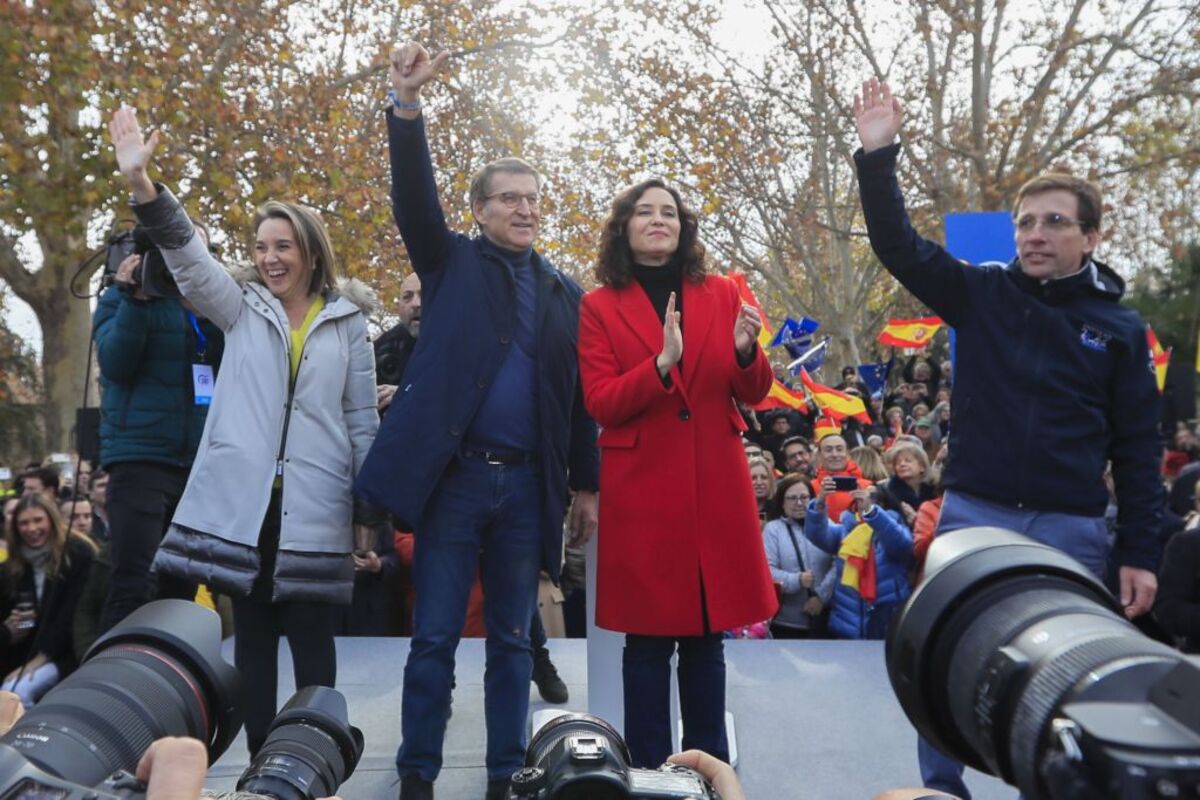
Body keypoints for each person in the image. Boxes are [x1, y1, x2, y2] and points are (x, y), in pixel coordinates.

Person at [854, 76, 1163, 798]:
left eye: (1055, 222)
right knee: (940, 662)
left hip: (1073, 529)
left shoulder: (1121, 331)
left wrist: (1140, 553)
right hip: (975, 517)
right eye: (1025, 222)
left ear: (1091, 235)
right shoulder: (981, 293)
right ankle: (941, 793)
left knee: (1062, 687)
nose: (1035, 234)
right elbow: (897, 244)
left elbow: (1139, 453)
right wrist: (878, 155)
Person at [350, 42, 599, 800]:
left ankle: (504, 774)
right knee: (432, 639)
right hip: (453, 487)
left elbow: (579, 395)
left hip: (529, 493)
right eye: (509, 198)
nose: (525, 208)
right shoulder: (448, 262)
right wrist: (406, 107)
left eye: (533, 198)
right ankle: (417, 773)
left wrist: (585, 487)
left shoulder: (565, 291)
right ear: (481, 210)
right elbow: (412, 198)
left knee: (514, 645)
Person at [108, 107, 379, 757]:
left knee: (315, 652)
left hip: (317, 509)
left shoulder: (348, 326)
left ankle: (313, 769)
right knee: (253, 645)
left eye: (282, 246)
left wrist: (369, 513)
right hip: (246, 512)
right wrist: (144, 186)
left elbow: (362, 421)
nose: (269, 257)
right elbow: (190, 259)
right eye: (261, 247)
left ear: (311, 251)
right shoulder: (238, 308)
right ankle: (262, 770)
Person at [577, 177, 777, 769]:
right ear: (625, 226)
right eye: (645, 211)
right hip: (643, 494)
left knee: (706, 640)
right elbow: (602, 401)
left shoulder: (722, 292)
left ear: (683, 225)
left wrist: (746, 352)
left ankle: (710, 770)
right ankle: (648, 773)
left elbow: (754, 389)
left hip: (714, 485)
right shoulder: (597, 306)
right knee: (645, 645)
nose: (659, 219)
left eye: (669, 211)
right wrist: (661, 364)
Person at [92, 213, 225, 633]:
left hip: (196, 467)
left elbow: (231, 368)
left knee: (181, 590)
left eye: (198, 253)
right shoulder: (122, 298)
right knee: (132, 582)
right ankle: (112, 687)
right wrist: (136, 300)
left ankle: (167, 684)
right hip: (140, 460)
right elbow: (116, 364)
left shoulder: (213, 305)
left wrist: (206, 307)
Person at [0, 494, 96, 707]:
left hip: (67, 652)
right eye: (24, 523)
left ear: (51, 520)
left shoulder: (77, 554)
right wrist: (17, 626)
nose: (31, 528)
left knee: (14, 694)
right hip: (26, 653)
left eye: (37, 520)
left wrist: (39, 659)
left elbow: (71, 615)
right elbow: (29, 624)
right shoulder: (13, 567)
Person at [805, 480, 913, 640]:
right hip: (848, 622)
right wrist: (820, 502)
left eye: (873, 496)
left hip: (885, 621)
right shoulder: (847, 530)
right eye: (862, 496)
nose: (866, 500)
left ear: (885, 502)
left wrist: (872, 512)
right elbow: (817, 535)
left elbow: (900, 546)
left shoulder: (896, 528)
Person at [763, 474, 834, 638]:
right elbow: (767, 572)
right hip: (786, 622)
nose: (799, 503)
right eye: (792, 498)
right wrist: (797, 580)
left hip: (824, 619)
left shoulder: (826, 524)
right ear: (782, 502)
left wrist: (821, 597)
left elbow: (839, 562)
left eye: (804, 497)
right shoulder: (773, 530)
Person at [748, 456, 776, 524]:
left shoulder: (778, 508)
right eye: (753, 478)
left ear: (770, 481)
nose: (759, 482)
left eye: (764, 477)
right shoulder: (738, 509)